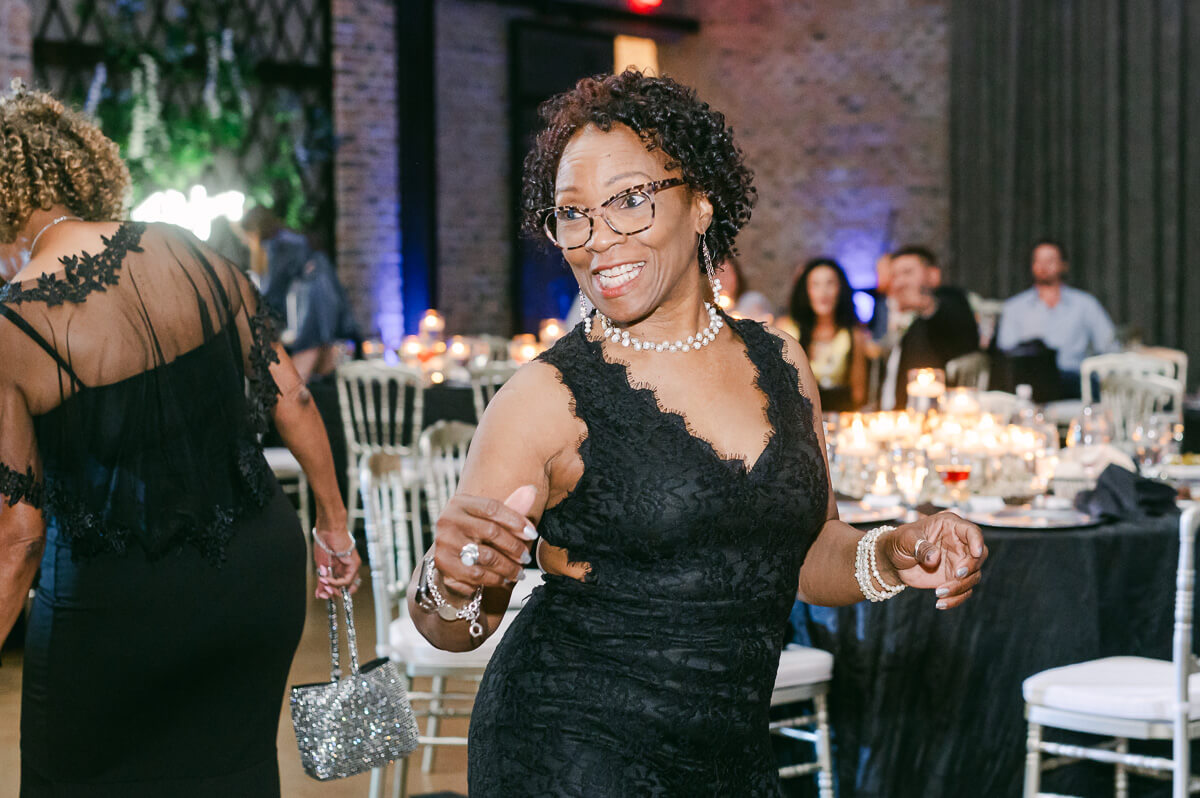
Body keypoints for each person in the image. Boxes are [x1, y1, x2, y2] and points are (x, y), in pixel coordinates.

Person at [406, 70, 987, 795]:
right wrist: (448, 581)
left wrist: (897, 550)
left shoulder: (782, 362)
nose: (597, 240)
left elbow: (801, 554)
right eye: (573, 214)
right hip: (569, 751)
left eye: (629, 201)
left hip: (731, 753)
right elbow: (456, 627)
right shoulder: (544, 398)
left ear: (702, 202)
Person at [0, 84, 361, 796]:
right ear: (84, 169)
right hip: (257, 576)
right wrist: (335, 525)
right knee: (233, 772)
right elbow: (294, 399)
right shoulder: (190, 251)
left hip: (115, 606)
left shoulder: (14, 325)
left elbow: (19, 537)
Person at [239, 205, 358, 383]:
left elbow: (273, 291)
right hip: (322, 295)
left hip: (315, 301)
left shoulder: (279, 247)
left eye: (246, 238)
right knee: (315, 361)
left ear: (254, 231)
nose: (244, 243)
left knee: (300, 373)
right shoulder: (288, 240)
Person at [995, 239, 1116, 399]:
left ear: (1063, 265)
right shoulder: (1014, 307)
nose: (1044, 266)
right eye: (1038, 261)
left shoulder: (1085, 304)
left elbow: (1109, 346)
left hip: (1073, 378)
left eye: (1050, 260)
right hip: (1031, 380)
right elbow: (1007, 350)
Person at [880, 245, 980, 409]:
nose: (899, 282)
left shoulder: (952, 300)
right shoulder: (891, 314)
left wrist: (926, 305)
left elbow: (953, 321)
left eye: (907, 272)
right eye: (894, 276)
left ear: (933, 275)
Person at [784, 257, 869, 411]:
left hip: (839, 416)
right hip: (797, 419)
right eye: (815, 285)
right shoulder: (788, 332)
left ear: (840, 289)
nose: (823, 292)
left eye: (830, 283)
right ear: (806, 291)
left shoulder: (853, 336)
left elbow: (859, 394)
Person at [715, 253, 774, 323]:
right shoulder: (708, 312)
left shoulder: (752, 301)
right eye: (717, 274)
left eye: (727, 273)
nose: (723, 280)